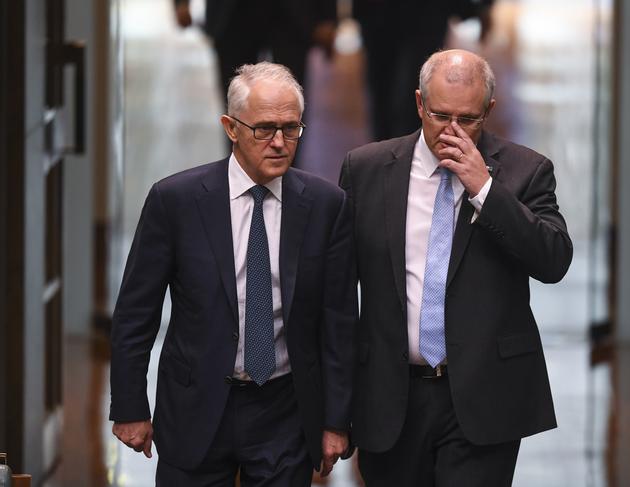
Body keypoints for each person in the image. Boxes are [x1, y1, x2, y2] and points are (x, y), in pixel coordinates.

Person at [110, 61, 356, 486]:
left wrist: (336, 420)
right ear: (231, 127)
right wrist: (131, 406)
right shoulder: (177, 201)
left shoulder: (325, 205)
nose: (279, 142)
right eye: (264, 129)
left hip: (284, 410)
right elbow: (136, 312)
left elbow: (339, 324)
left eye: (291, 128)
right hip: (196, 406)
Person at [339, 49, 572, 486]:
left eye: (467, 119)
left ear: (489, 110)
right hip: (390, 398)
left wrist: (484, 187)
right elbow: (335, 291)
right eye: (439, 115)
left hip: (485, 397)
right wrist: (333, 405)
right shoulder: (366, 169)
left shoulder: (526, 171)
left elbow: (554, 259)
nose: (451, 131)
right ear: (419, 104)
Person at [353, 0, 495, 141]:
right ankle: (389, 153)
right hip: (382, 12)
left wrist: (485, 6)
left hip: (425, 12)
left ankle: (405, 153)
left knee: (413, 90)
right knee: (384, 90)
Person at [173, 0, 337, 109]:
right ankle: (238, 161)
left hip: (290, 15)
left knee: (290, 103)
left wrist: (328, 15)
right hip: (233, 14)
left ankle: (286, 161)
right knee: (237, 104)